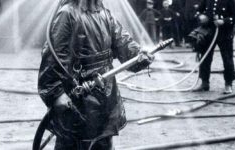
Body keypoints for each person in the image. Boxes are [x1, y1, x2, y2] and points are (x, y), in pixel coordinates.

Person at [38, 0, 154, 149]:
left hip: (106, 94)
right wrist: (56, 94)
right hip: (78, 96)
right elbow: (52, 58)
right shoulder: (67, 13)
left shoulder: (104, 13)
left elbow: (122, 42)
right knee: (74, 143)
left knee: (103, 142)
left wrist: (138, 54)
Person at [192, 0, 235, 94]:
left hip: (225, 34)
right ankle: (204, 83)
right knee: (205, 57)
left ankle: (228, 84)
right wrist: (200, 16)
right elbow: (199, 11)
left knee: (227, 58)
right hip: (209, 32)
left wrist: (224, 21)